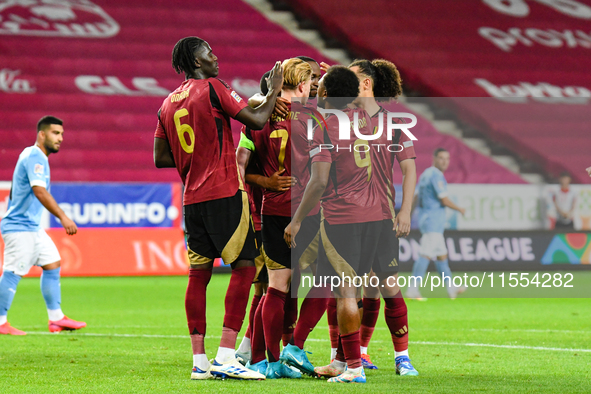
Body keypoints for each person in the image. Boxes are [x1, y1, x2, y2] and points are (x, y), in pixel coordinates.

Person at [153, 36, 282, 381]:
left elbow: (160, 157)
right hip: (224, 191)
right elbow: (255, 121)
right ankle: (226, 356)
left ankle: (199, 362)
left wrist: (195, 156)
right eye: (209, 53)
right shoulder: (212, 87)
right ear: (197, 62)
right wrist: (273, 92)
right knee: (244, 268)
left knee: (199, 275)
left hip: (191, 199)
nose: (215, 57)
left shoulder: (166, 103)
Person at [285, 66, 382, 384]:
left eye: (320, 86)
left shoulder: (324, 127)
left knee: (345, 292)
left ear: (325, 94)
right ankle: (341, 361)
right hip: (373, 215)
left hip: (343, 217)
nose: (316, 90)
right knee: (344, 287)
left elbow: (319, 180)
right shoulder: (367, 119)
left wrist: (297, 219)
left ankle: (353, 368)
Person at [237, 58, 314, 379]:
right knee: (328, 282)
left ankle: (267, 361)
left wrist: (265, 182)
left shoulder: (257, 116)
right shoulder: (314, 119)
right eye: (310, 83)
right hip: (304, 210)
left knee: (275, 287)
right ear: (301, 84)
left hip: (270, 209)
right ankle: (294, 347)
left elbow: (240, 164)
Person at [344, 58, 418, 376]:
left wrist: (405, 211)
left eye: (351, 79)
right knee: (355, 288)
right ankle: (355, 355)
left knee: (386, 286)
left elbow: (410, 169)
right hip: (348, 218)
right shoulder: (342, 119)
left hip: (382, 218)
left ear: (366, 84)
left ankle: (402, 358)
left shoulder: (395, 124)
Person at [0, 116, 85, 336]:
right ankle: (0, 321)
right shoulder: (34, 156)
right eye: (55, 133)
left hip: (32, 228)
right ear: (42, 134)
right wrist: (63, 217)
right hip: (20, 227)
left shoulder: (39, 158)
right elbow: (39, 191)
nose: (60, 138)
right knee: (12, 272)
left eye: (62, 134)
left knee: (52, 263)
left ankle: (56, 319)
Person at [407, 148, 466, 301]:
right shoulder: (436, 175)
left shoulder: (426, 174)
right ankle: (412, 289)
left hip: (431, 222)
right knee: (425, 254)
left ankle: (451, 287)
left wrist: (408, 214)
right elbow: (444, 200)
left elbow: (416, 196)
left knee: (441, 257)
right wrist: (459, 208)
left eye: (447, 158)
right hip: (432, 221)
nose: (444, 161)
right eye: (441, 158)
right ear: (434, 158)